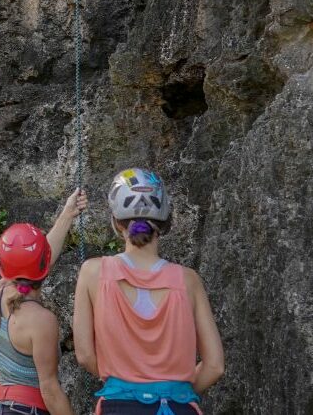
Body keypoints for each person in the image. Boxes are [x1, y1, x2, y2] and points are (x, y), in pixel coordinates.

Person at [72, 169, 224, 414]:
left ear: (115, 221)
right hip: (177, 407)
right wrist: (177, 392)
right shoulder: (188, 280)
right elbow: (215, 365)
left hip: (118, 406)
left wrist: (126, 383)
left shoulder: (93, 273)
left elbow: (85, 355)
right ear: (164, 221)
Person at [0, 189, 87, 415]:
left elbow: (32, 264)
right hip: (27, 410)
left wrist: (68, 213)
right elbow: (50, 391)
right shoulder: (42, 321)